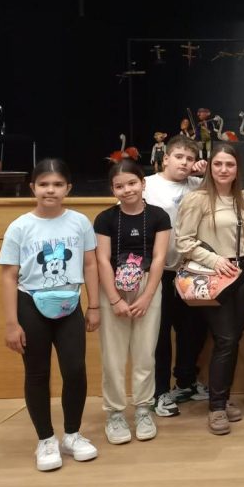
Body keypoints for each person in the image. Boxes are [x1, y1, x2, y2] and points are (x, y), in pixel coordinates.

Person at [0, 158, 100, 471]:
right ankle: (45, 439)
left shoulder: (80, 222)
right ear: (33, 188)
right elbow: (9, 276)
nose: (50, 190)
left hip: (69, 305)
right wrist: (12, 323)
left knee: (75, 370)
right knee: (37, 373)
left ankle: (72, 434)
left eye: (57, 184)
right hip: (31, 305)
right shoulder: (20, 227)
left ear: (68, 188)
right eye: (43, 184)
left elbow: (90, 264)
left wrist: (94, 305)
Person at [174, 143, 244, 435]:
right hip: (214, 275)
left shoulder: (243, 197)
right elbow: (183, 241)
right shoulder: (197, 199)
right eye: (218, 164)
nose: (223, 169)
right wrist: (215, 260)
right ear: (209, 167)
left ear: (237, 168)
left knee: (234, 338)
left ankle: (222, 395)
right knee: (225, 339)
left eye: (229, 164)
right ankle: (217, 407)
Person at [94, 159, 171, 445]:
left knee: (144, 353)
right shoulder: (105, 219)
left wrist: (147, 295)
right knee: (113, 356)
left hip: (147, 285)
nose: (127, 190)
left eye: (132, 183)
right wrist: (114, 300)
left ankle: (143, 409)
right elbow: (102, 260)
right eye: (119, 186)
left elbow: (160, 258)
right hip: (113, 287)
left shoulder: (159, 216)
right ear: (112, 189)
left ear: (143, 183)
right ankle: (115, 412)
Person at [146, 134, 210, 417]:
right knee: (160, 334)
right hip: (158, 271)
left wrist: (206, 174)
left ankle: (186, 382)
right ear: (166, 158)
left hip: (191, 270)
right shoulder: (147, 185)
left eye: (190, 158)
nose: (184, 163)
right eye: (179, 157)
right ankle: (159, 392)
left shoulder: (198, 184)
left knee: (194, 329)